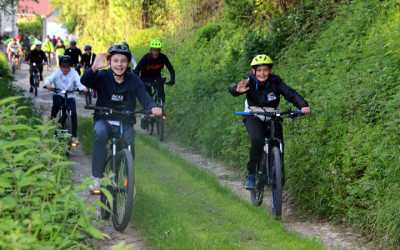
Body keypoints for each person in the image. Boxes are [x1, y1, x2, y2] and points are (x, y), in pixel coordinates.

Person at [81, 43, 162, 190]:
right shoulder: (102, 76)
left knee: (129, 145)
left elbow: (145, 98)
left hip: (125, 121)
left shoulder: (134, 80)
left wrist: (153, 107)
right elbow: (85, 81)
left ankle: (128, 179)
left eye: (123, 61)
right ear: (110, 62)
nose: (119, 64)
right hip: (103, 119)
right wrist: (93, 68)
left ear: (128, 63)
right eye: (116, 60)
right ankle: (97, 177)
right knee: (100, 134)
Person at [229, 54, 311, 189]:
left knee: (279, 143)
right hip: (253, 115)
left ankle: (278, 177)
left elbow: (290, 93)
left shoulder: (275, 81)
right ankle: (251, 174)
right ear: (254, 71)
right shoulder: (248, 80)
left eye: (265, 70)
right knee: (257, 140)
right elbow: (235, 88)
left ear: (270, 71)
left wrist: (303, 105)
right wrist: (236, 89)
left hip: (272, 115)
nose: (262, 73)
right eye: (259, 70)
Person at [43, 55, 88, 144]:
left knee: (74, 114)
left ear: (70, 66)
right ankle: (52, 119)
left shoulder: (74, 73)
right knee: (56, 105)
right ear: (60, 66)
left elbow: (79, 83)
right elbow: (49, 78)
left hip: (70, 95)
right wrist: (47, 84)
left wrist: (83, 88)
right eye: (63, 67)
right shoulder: (57, 73)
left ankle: (74, 136)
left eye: (67, 67)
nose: (66, 69)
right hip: (58, 94)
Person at [134, 40, 175, 104]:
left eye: (157, 50)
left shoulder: (163, 57)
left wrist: (172, 79)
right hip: (145, 78)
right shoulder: (146, 58)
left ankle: (161, 107)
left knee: (161, 92)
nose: (156, 52)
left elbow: (171, 69)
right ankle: (147, 109)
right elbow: (136, 70)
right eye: (154, 50)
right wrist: (138, 80)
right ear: (150, 50)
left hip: (156, 77)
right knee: (148, 95)